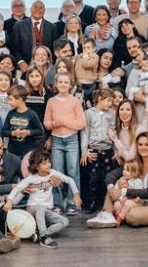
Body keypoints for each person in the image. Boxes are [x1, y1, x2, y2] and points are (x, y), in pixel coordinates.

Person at [87, 132, 148, 228]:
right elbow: (111, 175)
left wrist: (123, 192)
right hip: (134, 202)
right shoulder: (136, 162)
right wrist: (112, 187)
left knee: (132, 217)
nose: (143, 147)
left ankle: (116, 214)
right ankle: (107, 214)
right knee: (116, 183)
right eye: (140, 144)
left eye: (147, 144)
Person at [4, 149, 82, 249]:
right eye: (44, 163)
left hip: (45, 210)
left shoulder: (53, 173)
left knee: (64, 221)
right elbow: (18, 188)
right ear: (36, 166)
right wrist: (9, 201)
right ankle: (45, 238)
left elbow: (69, 180)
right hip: (33, 208)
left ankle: (43, 234)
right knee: (40, 206)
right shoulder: (32, 178)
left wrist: (76, 194)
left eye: (49, 161)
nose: (48, 164)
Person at [44, 72, 86, 215]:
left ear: (70, 84)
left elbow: (81, 123)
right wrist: (57, 123)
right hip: (56, 140)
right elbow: (47, 124)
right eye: (60, 82)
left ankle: (72, 203)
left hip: (71, 140)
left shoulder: (75, 101)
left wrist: (65, 122)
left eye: (66, 82)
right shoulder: (51, 101)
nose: (63, 84)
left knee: (73, 171)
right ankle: (58, 203)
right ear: (56, 84)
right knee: (57, 171)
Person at [80, 89, 116, 214]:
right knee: (93, 178)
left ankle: (104, 203)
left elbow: (113, 131)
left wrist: (115, 150)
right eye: (109, 100)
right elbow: (85, 132)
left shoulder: (111, 114)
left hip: (107, 150)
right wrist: (84, 151)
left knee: (106, 178)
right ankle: (92, 203)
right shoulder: (89, 113)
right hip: (94, 150)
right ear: (100, 99)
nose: (110, 103)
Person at [12, 0, 58, 72]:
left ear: (44, 11)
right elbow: (14, 48)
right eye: (35, 7)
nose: (38, 10)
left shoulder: (52, 27)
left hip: (46, 68)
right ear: (30, 9)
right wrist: (20, 62)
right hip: (24, 67)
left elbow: (54, 49)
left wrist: (50, 65)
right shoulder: (19, 26)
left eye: (41, 8)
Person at [2, 85, 44, 158]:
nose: (9, 102)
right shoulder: (10, 114)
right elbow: (4, 131)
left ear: (20, 100)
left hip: (28, 152)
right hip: (12, 152)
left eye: (10, 99)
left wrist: (28, 132)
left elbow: (40, 131)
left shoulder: (32, 114)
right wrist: (13, 133)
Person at [110, 160, 142, 226]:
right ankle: (120, 215)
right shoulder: (120, 180)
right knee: (116, 204)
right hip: (122, 200)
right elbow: (116, 191)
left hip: (133, 201)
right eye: (124, 169)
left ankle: (120, 218)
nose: (124, 172)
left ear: (134, 172)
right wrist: (119, 199)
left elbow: (140, 193)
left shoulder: (137, 181)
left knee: (128, 203)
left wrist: (137, 198)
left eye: (127, 170)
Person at [108, 99, 139, 163]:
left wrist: (115, 139)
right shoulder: (118, 128)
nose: (124, 112)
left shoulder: (138, 130)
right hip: (123, 164)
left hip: (136, 165)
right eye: (121, 109)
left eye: (128, 109)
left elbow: (129, 157)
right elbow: (117, 148)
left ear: (133, 112)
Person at [74, 38, 99, 105]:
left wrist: (85, 57)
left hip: (89, 84)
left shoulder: (95, 57)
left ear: (93, 49)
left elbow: (87, 65)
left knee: (90, 101)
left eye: (88, 48)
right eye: (84, 48)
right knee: (79, 101)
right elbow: (74, 66)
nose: (85, 50)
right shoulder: (79, 56)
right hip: (79, 83)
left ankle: (89, 104)